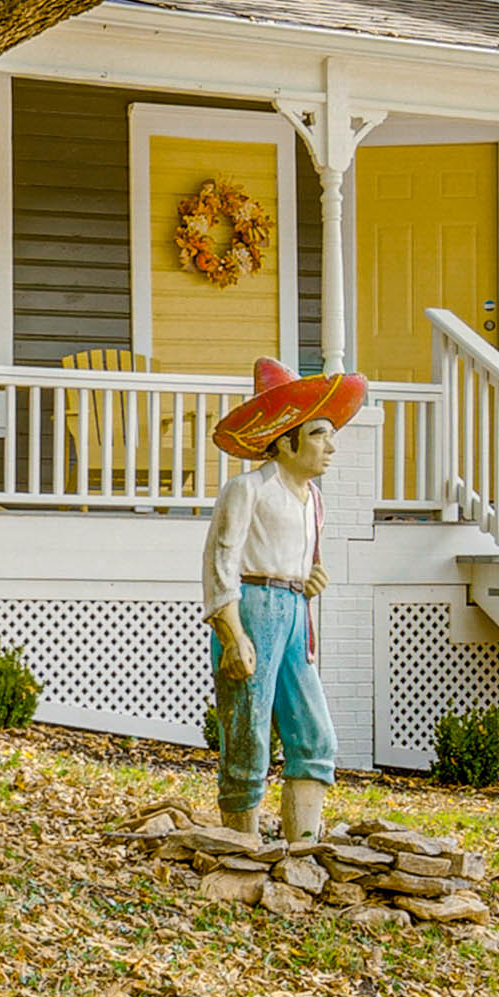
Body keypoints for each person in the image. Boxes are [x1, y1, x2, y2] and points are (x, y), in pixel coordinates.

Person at [201, 355, 365, 842]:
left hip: (295, 614)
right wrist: (232, 635)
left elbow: (299, 557)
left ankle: (302, 846)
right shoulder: (246, 490)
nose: (330, 446)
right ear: (285, 438)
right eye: (318, 434)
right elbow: (220, 565)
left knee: (314, 734)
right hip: (253, 610)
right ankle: (241, 841)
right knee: (248, 731)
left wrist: (310, 577)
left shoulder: (313, 499)